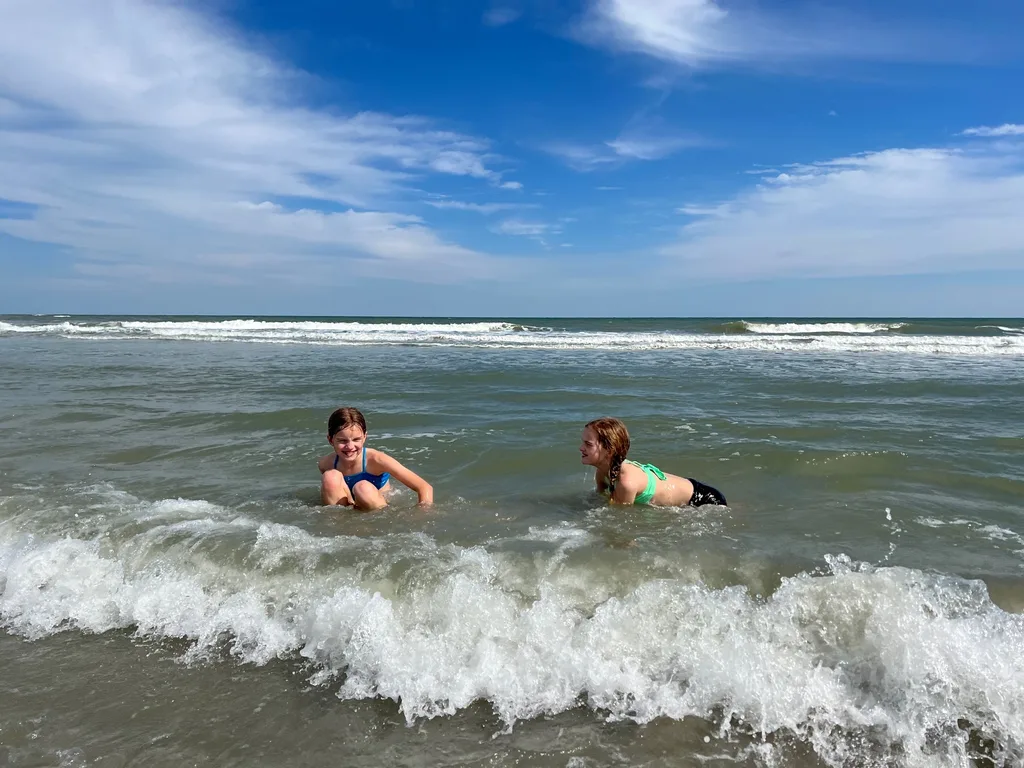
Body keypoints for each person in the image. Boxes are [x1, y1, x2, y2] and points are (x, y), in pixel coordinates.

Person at [580, 417, 726, 507]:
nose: (581, 448)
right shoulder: (602, 471)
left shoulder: (627, 483)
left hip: (703, 500)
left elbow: (621, 520)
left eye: (588, 444)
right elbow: (599, 497)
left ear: (609, 450)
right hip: (688, 488)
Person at [317, 407, 433, 510]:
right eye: (342, 441)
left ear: (364, 437)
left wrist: (423, 515)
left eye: (356, 439)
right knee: (330, 477)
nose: (350, 447)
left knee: (363, 488)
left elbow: (424, 487)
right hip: (349, 507)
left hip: (377, 507)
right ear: (330, 440)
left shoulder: (377, 460)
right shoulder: (326, 464)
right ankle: (340, 525)